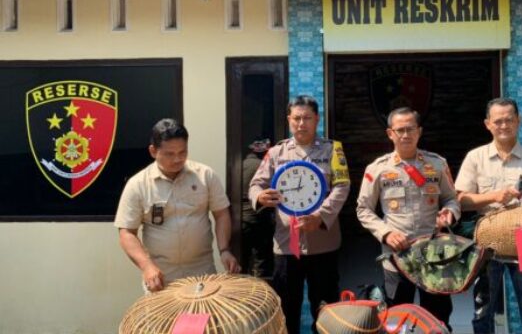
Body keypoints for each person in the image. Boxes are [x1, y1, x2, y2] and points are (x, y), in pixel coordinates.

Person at [454, 97, 522, 334]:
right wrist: (494, 197)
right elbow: (460, 200)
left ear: (518, 121)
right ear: (488, 124)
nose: (504, 125)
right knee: (483, 314)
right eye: (498, 121)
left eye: (509, 120)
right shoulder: (475, 158)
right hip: (487, 237)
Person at [248, 95, 350, 334]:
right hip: (286, 245)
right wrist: (260, 197)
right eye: (297, 118)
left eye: (307, 118)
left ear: (317, 119)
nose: (301, 123)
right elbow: (256, 184)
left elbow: (342, 186)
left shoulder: (333, 150)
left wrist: (321, 216)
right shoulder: (275, 153)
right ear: (289, 120)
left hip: (323, 244)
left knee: (326, 309)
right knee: (286, 308)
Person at [356, 107, 460, 328]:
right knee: (396, 319)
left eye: (410, 129)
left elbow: (452, 199)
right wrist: (386, 233)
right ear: (390, 133)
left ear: (419, 131)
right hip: (397, 257)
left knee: (438, 319)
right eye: (400, 130)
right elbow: (363, 209)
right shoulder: (378, 169)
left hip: (433, 256)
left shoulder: (437, 164)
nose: (405, 135)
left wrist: (449, 213)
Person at [114, 118, 239, 292]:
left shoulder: (205, 176)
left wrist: (224, 249)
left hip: (202, 273)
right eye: (169, 154)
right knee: (165, 321)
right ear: (153, 151)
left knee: (203, 319)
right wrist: (146, 266)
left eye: (182, 152)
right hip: (161, 277)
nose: (177, 159)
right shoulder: (138, 184)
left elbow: (221, 214)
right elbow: (127, 233)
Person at [241, 138, 275, 278]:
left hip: (242, 219)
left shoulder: (242, 164)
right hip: (260, 220)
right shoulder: (263, 167)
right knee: (262, 263)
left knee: (243, 262)